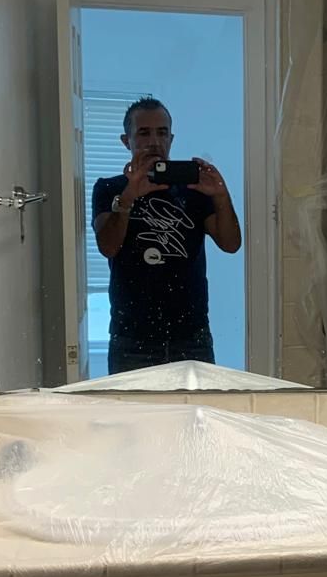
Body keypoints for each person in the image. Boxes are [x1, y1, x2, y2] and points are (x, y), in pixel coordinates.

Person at [91, 96, 242, 374]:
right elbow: (108, 246)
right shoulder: (109, 189)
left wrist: (221, 195)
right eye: (144, 133)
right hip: (131, 337)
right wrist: (128, 197)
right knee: (131, 405)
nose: (154, 141)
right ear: (126, 141)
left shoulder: (194, 190)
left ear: (171, 139)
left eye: (162, 133)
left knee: (194, 403)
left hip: (191, 335)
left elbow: (231, 244)